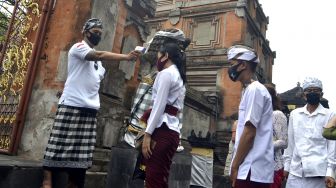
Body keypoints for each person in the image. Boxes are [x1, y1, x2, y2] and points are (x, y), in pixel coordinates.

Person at [41, 18, 140, 188]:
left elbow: (93, 72)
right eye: (95, 32)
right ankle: (47, 181)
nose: (97, 36)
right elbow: (99, 54)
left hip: (90, 109)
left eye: (100, 34)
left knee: (81, 154)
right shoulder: (78, 48)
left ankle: (74, 183)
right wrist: (127, 57)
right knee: (58, 143)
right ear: (85, 32)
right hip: (72, 104)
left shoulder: (99, 65)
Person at [141, 42, 187, 188]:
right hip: (171, 131)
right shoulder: (178, 75)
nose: (157, 58)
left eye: (159, 55)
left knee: (153, 179)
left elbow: (159, 106)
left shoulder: (166, 74)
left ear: (166, 56)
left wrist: (147, 134)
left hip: (162, 130)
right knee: (160, 178)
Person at [227, 45, 274, 188]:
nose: (230, 68)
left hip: (251, 170)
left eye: (232, 64)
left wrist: (234, 166)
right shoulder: (249, 90)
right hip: (250, 168)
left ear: (243, 65)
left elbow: (249, 133)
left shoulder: (255, 90)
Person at [283, 77, 336, 188]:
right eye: (309, 91)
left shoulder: (330, 115)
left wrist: (330, 172)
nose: (312, 93)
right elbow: (291, 144)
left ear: (321, 94)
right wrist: (286, 167)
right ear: (304, 95)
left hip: (318, 174)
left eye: (316, 91)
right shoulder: (295, 114)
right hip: (296, 173)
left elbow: (332, 146)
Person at [264, 84, 288, 188]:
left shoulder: (277, 114)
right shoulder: (257, 114)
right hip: (257, 166)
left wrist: (262, 146)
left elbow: (283, 142)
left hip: (273, 167)